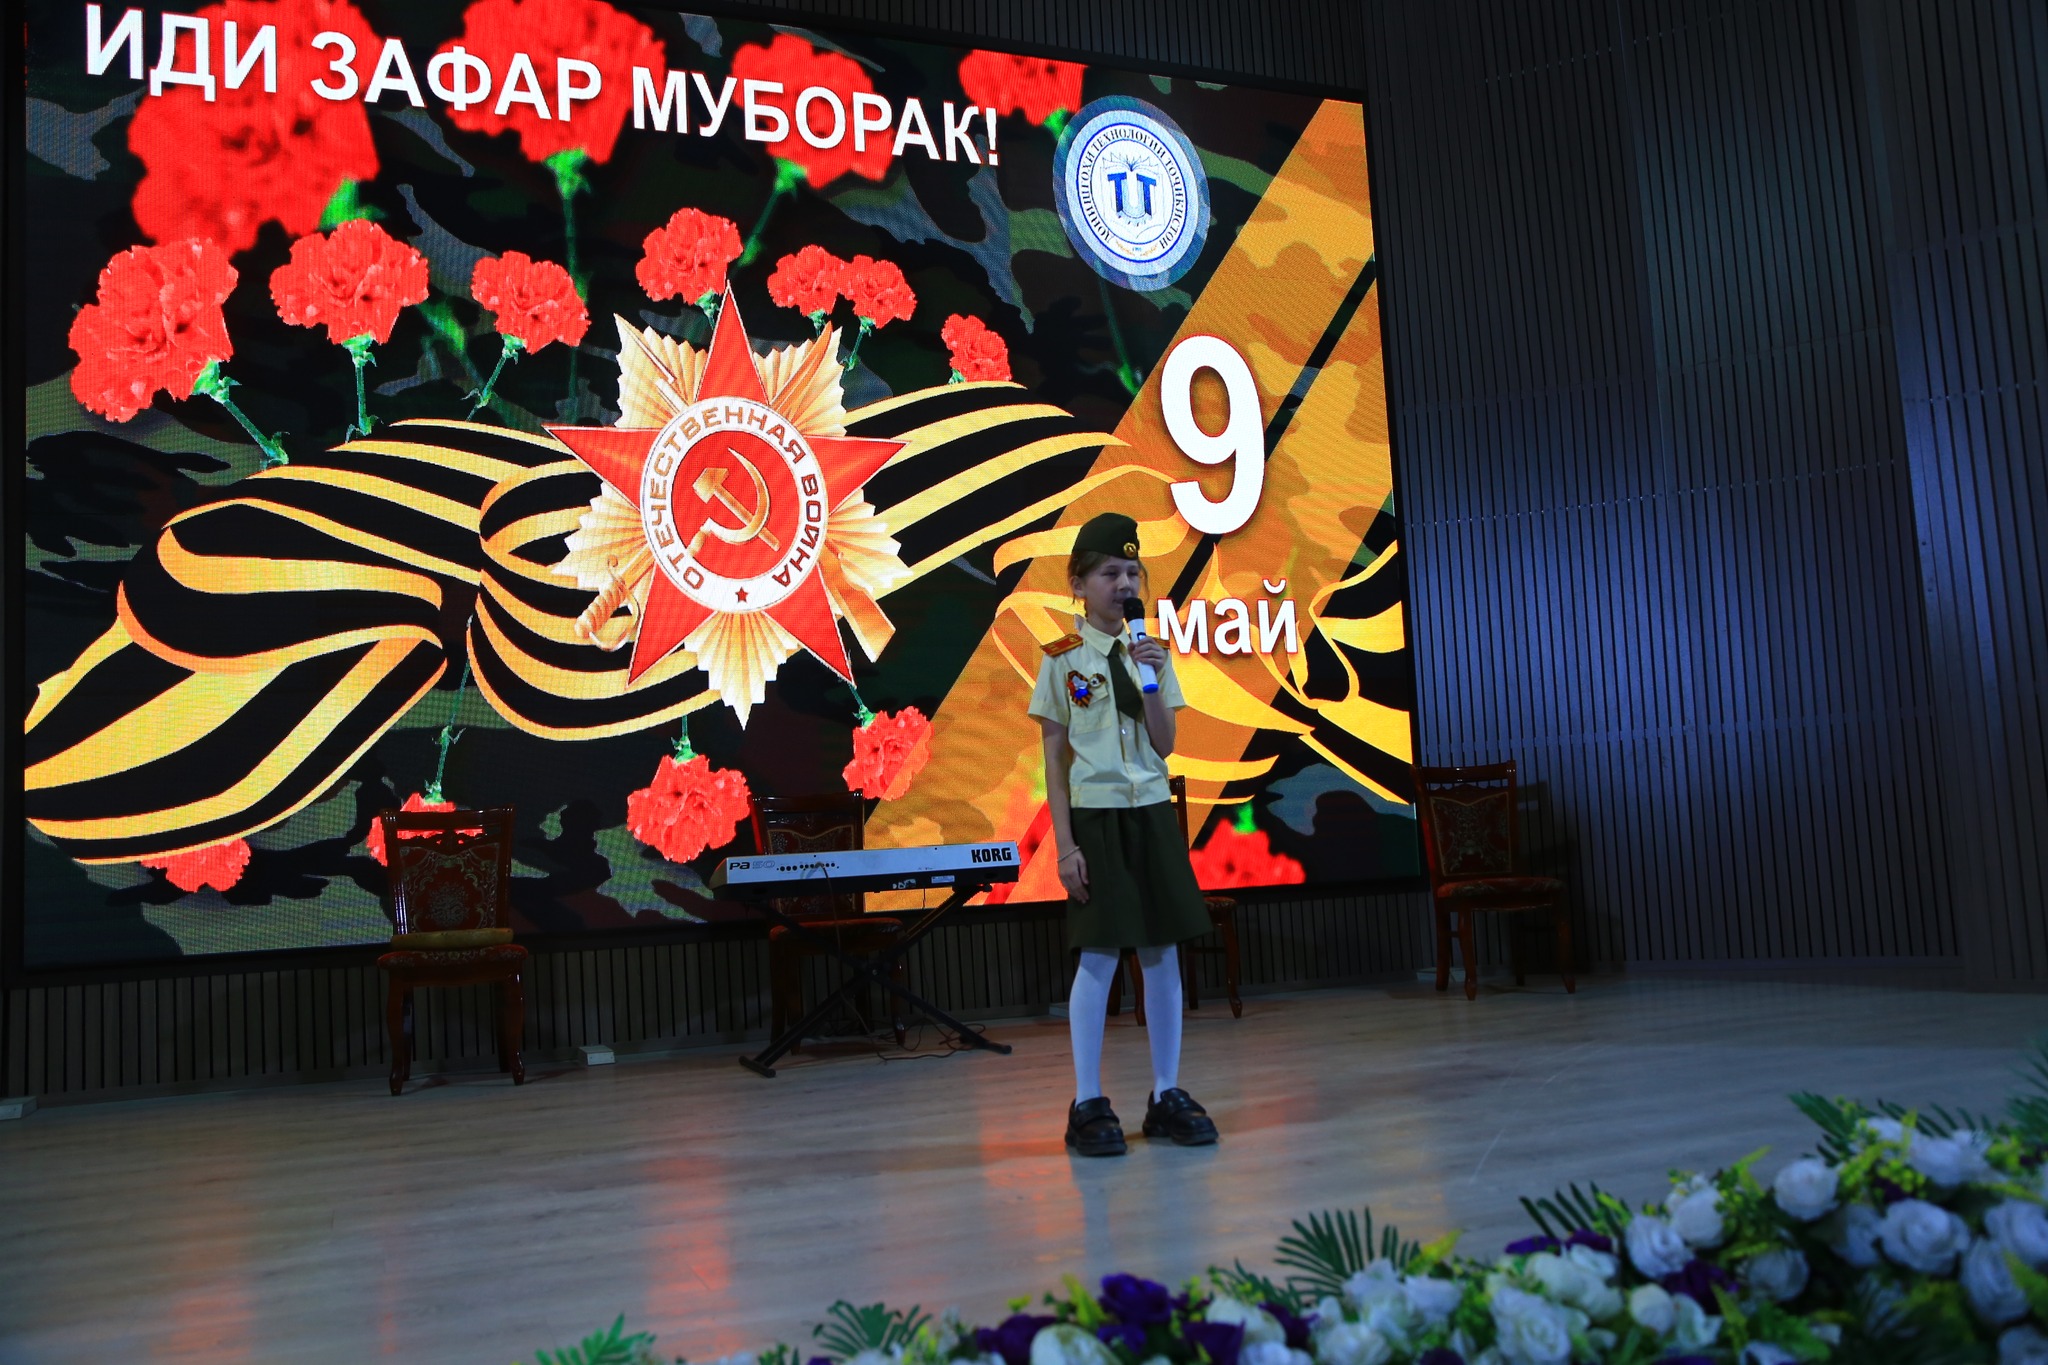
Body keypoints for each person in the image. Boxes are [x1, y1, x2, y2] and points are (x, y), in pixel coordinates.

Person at [1029, 512, 1219, 1156]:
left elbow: (1164, 745)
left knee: (1162, 952)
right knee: (1101, 954)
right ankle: (1087, 1101)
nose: (1125, 584)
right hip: (1097, 817)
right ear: (1078, 584)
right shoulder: (1061, 660)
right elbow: (1055, 764)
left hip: (1151, 813)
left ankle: (1167, 1093)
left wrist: (1152, 678)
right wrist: (1066, 846)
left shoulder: (1153, 653)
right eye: (1110, 573)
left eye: (1133, 573)